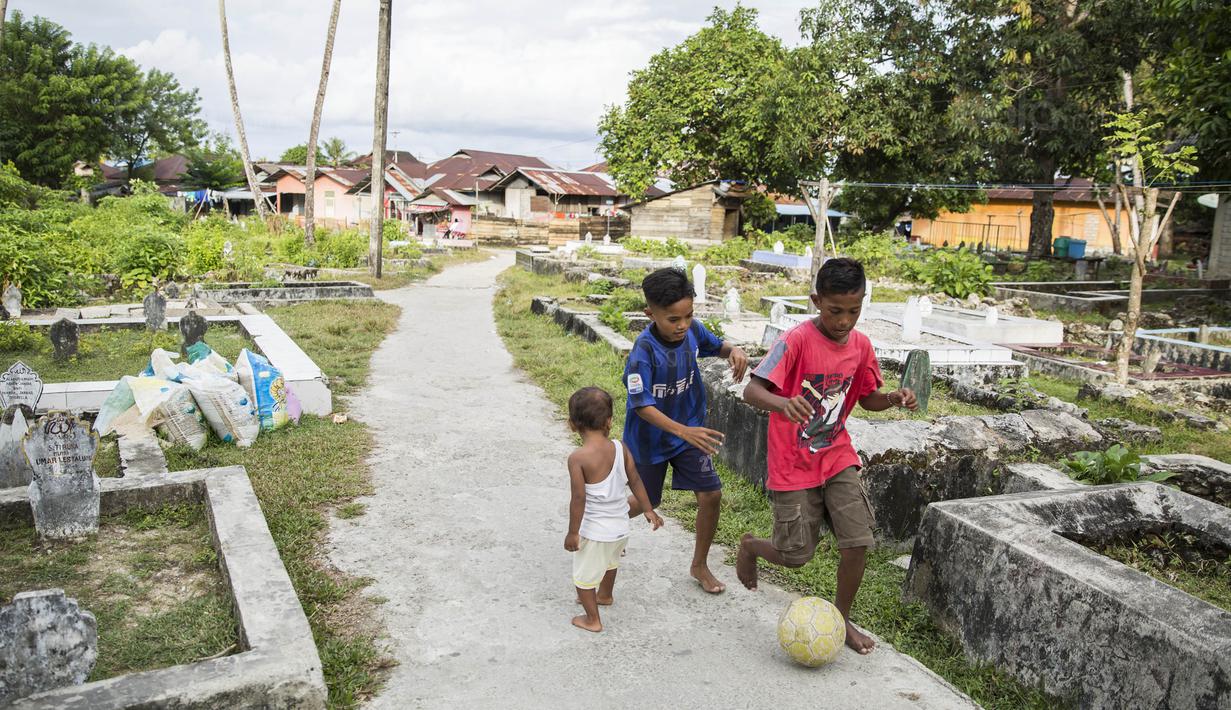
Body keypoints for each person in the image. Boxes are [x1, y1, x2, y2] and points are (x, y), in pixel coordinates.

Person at [735, 258, 917, 654]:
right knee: (795, 555)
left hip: (836, 457)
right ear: (817, 300)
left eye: (854, 311)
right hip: (793, 464)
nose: (844, 321)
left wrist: (893, 398)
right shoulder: (796, 340)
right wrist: (782, 404)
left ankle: (841, 619)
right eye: (835, 311)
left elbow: (867, 398)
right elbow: (753, 391)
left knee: (857, 541)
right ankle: (750, 546)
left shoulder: (862, 346)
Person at [623, 268, 749, 594]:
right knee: (646, 500)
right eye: (673, 319)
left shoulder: (692, 331)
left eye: (688, 316)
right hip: (650, 438)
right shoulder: (643, 352)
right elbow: (642, 406)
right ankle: (603, 524)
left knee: (711, 494)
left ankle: (699, 565)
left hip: (689, 431)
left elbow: (716, 346)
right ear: (650, 313)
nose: (682, 325)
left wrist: (733, 350)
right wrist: (683, 432)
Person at [565, 386, 663, 632]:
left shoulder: (578, 458)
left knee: (583, 578)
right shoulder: (620, 448)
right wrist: (648, 509)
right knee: (610, 562)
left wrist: (573, 533)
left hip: (596, 531)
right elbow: (636, 481)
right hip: (620, 528)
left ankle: (592, 619)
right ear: (609, 421)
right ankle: (605, 594)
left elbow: (578, 499)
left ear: (572, 424)